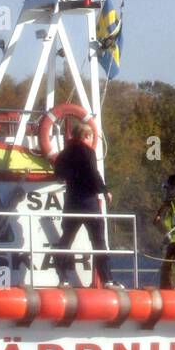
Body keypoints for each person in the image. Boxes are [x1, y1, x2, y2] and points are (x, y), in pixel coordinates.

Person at [52, 121, 117, 287]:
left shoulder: (64, 153)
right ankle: (107, 279)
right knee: (98, 240)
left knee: (66, 239)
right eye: (91, 137)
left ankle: (62, 277)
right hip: (88, 201)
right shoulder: (87, 152)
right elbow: (93, 173)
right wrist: (104, 190)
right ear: (87, 136)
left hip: (71, 200)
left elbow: (58, 174)